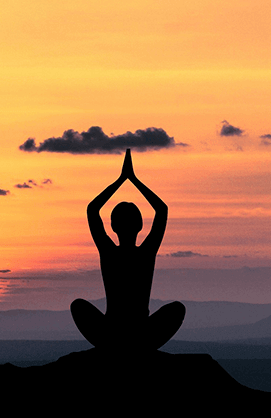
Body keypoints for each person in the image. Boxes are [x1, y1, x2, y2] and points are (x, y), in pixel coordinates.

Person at [71, 149, 185, 352]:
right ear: (140, 225)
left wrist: (122, 180)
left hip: (114, 332)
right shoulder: (146, 252)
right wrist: (132, 180)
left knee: (78, 306)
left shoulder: (109, 251)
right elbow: (161, 210)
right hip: (139, 333)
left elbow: (92, 209)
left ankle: (117, 346)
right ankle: (134, 347)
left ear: (113, 226)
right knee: (177, 309)